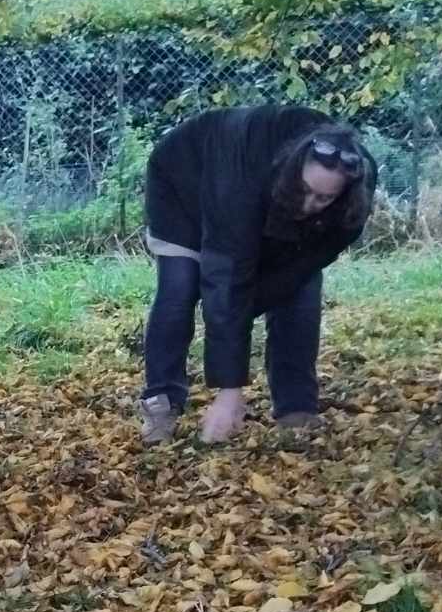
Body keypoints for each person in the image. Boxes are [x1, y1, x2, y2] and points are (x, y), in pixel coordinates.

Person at [139, 104, 376, 446]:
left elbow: (298, 269)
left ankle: (297, 409)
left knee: (298, 290)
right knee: (181, 286)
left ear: (344, 195)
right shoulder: (242, 183)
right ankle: (161, 402)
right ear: (293, 169)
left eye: (323, 198)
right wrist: (230, 389)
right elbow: (228, 275)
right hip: (184, 184)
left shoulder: (354, 202)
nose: (310, 203)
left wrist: (244, 309)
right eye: (305, 190)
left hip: (255, 203)